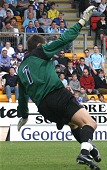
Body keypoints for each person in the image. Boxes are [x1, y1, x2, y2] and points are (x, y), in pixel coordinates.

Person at [15, 6, 101, 170]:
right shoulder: (41, 51)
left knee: (75, 125)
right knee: (90, 123)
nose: (48, 46)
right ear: (39, 44)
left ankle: (91, 149)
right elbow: (64, 39)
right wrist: (81, 22)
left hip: (44, 108)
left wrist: (24, 117)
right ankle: (84, 152)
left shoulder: (20, 69)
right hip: (57, 95)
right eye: (45, 43)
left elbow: (22, 97)